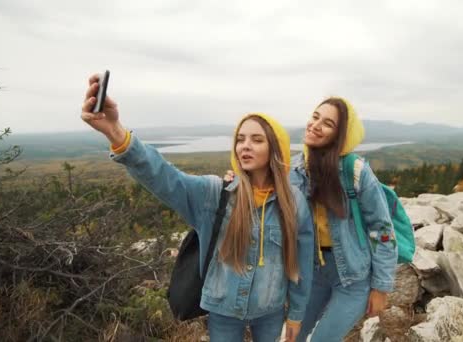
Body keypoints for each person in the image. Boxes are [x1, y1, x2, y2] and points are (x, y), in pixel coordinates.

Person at [80, 74, 314, 342]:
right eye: (240, 139)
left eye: (257, 140)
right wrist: (116, 132)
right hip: (222, 308)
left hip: (270, 309)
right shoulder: (215, 194)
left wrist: (296, 313)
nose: (245, 145)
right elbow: (165, 177)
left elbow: (301, 263)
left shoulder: (293, 202)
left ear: (275, 148)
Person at [292, 97, 398, 341]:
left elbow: (382, 229)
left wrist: (381, 287)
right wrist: (232, 179)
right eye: (315, 117)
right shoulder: (295, 169)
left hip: (353, 276)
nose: (316, 125)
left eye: (327, 123)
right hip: (313, 273)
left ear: (340, 135)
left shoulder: (355, 170)